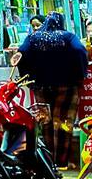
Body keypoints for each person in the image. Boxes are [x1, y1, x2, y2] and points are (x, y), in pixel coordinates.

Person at [16, 13, 88, 169]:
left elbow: (20, 54)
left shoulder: (33, 38)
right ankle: (61, 161)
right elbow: (80, 50)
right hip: (66, 85)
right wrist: (80, 73)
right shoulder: (68, 37)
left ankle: (48, 161)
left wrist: (26, 77)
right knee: (63, 122)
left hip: (40, 85)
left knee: (46, 122)